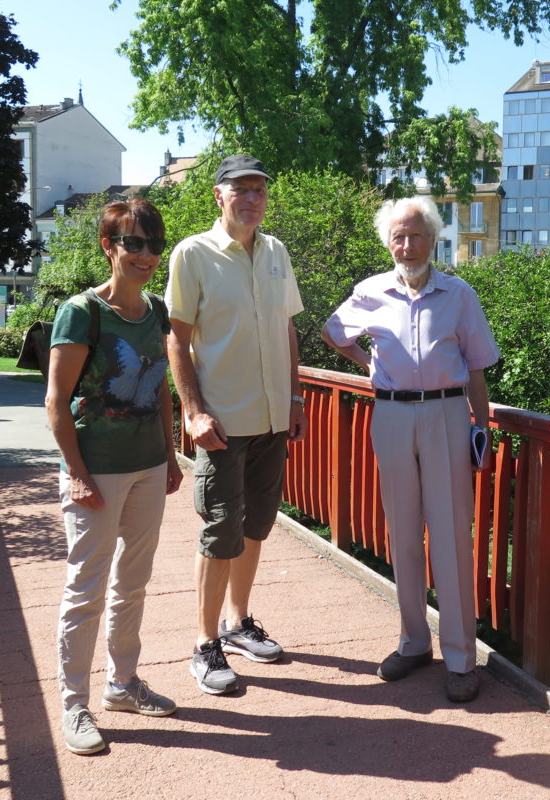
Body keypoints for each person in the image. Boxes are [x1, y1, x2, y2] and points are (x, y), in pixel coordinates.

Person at [321, 195, 499, 702]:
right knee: (401, 531)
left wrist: (479, 430)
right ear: (388, 242)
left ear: (433, 238)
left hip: (446, 413)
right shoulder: (370, 291)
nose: (407, 244)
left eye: (416, 235)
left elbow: (478, 369)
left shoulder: (458, 294)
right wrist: (367, 363)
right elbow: (334, 333)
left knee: (449, 536)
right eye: (398, 236)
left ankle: (462, 658)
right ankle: (413, 642)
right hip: (393, 413)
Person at [165, 154, 307, 696]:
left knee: (256, 527)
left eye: (260, 191)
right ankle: (205, 642)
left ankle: (238, 622)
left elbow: (286, 331)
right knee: (220, 532)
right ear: (218, 196)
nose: (252, 199)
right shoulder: (193, 254)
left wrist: (295, 397)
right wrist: (193, 410)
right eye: (241, 189)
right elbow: (177, 336)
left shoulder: (275, 252)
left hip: (273, 417)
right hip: (222, 422)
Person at [46, 198, 183, 755]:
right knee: (87, 588)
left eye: (153, 244)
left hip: (148, 467)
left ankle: (122, 684)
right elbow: (56, 403)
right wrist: (77, 475)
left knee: (133, 582)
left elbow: (164, 391)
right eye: (133, 243)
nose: (146, 254)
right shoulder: (82, 312)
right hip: (95, 472)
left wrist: (171, 456)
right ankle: (74, 704)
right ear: (109, 247)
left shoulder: (156, 310)